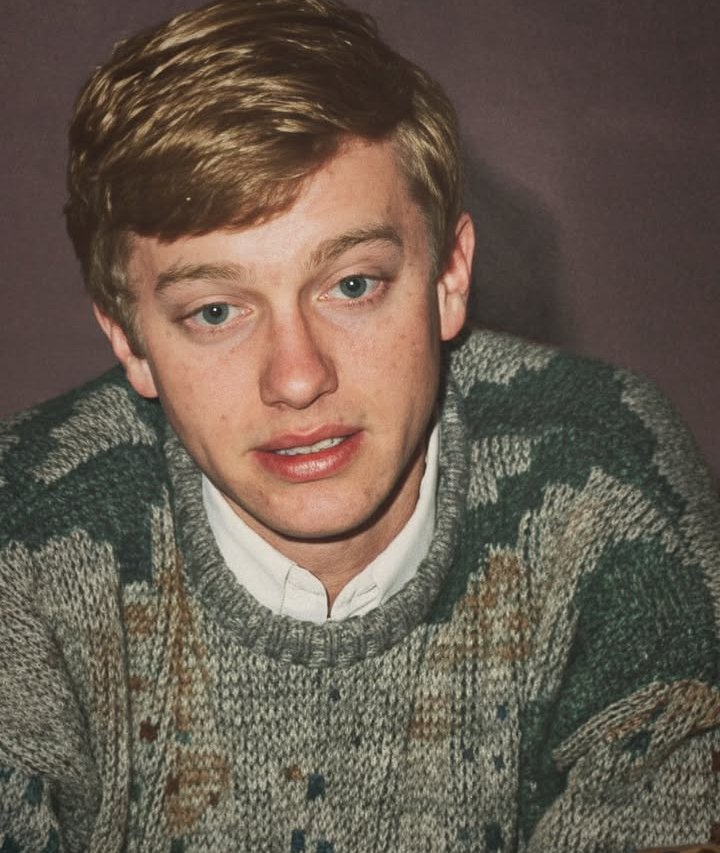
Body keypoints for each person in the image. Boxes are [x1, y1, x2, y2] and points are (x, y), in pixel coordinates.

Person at [1, 0, 718, 850]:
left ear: (449, 277)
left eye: (352, 285)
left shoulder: (608, 475)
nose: (299, 377)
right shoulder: (24, 536)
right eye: (217, 310)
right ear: (130, 341)